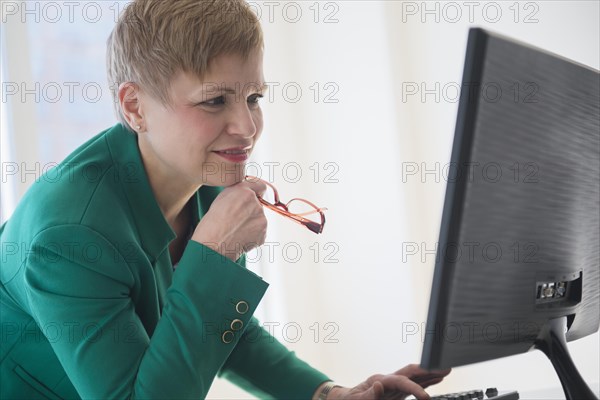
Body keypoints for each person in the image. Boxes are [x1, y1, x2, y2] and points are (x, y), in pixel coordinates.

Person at [0, 0, 450, 398]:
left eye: (253, 97)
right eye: (214, 100)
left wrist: (328, 394)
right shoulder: (68, 236)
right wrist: (214, 254)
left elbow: (225, 330)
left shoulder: (203, 175)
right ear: (135, 107)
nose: (247, 127)